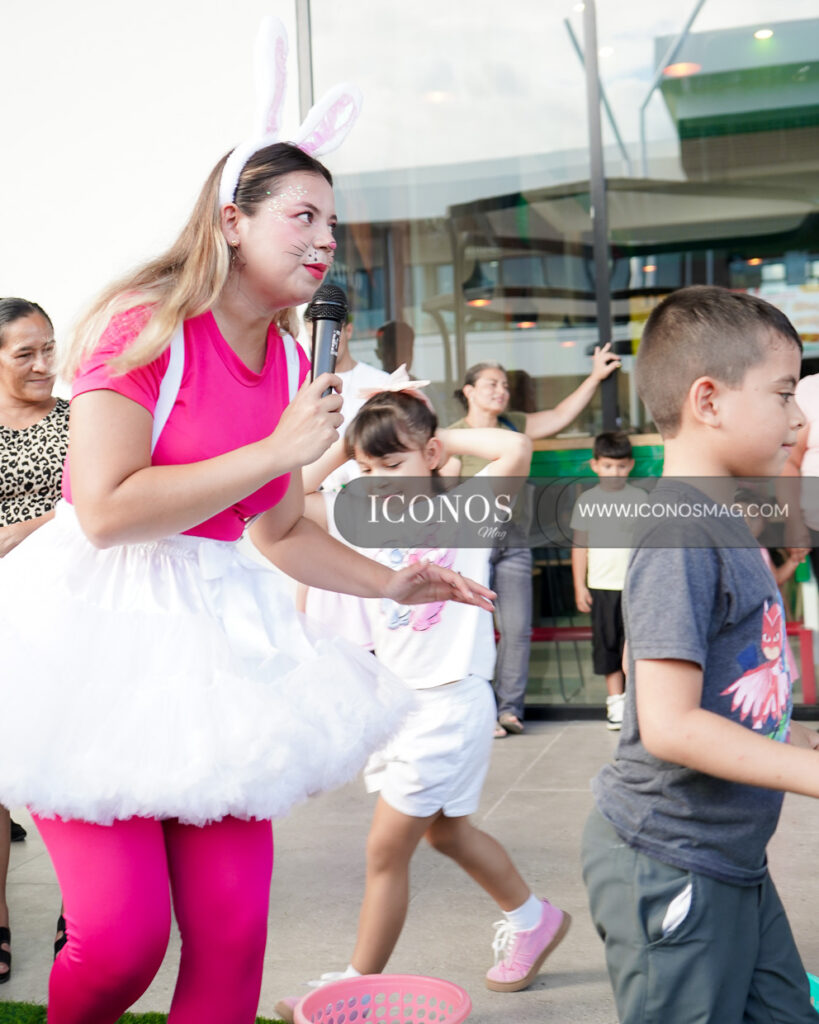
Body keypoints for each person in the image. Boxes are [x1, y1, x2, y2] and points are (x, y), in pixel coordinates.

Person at [0, 138, 495, 1024]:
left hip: (218, 648)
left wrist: (392, 583)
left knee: (232, 938)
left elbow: (273, 528)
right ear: (232, 222)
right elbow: (107, 511)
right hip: (93, 642)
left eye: (332, 225)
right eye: (302, 217)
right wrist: (276, 449)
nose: (324, 242)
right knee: (120, 944)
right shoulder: (142, 324)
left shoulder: (296, 364)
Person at [275, 390, 569, 1022]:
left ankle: (351, 990)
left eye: (395, 464)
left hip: (449, 706)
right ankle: (534, 919)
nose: (378, 482)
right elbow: (289, 502)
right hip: (402, 707)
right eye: (369, 469)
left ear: (431, 455)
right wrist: (346, 444)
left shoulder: (466, 510)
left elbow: (515, 446)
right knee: (450, 834)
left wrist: (431, 437)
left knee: (386, 851)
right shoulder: (363, 519)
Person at [581, 285, 819, 1024]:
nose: (797, 416)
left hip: (731, 862)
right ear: (707, 401)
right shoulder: (678, 529)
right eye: (783, 393)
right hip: (670, 861)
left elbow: (739, 685)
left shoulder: (721, 522)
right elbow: (671, 725)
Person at [448, 347, 620, 737]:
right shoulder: (453, 435)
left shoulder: (514, 426)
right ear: (469, 391)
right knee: (472, 631)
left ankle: (509, 709)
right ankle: (481, 713)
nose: (500, 391)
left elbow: (559, 416)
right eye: (491, 384)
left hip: (515, 538)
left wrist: (594, 376)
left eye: (505, 385)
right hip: (472, 541)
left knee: (517, 629)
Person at [0, 297, 70, 982]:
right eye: (26, 353)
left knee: (66, 763)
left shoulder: (82, 421)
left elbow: (101, 499)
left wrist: (24, 527)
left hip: (70, 610)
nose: (45, 364)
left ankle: (79, 910)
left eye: (50, 347)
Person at [570, 431, 644, 730]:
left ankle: (639, 703)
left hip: (635, 588)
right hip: (601, 587)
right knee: (608, 645)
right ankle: (616, 703)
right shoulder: (587, 501)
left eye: (622, 466)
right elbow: (579, 546)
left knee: (637, 645)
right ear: (595, 466)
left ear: (631, 466)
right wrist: (579, 585)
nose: (615, 473)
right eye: (608, 466)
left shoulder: (640, 499)